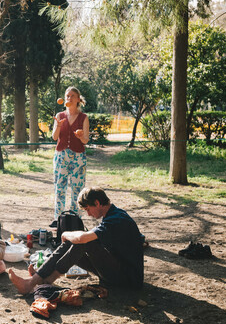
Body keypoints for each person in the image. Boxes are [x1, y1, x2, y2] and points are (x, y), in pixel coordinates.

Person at [9, 187, 144, 294]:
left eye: (88, 209)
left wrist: (67, 233)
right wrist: (70, 237)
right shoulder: (114, 214)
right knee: (76, 242)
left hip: (127, 280)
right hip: (115, 271)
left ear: (97, 203)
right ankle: (42, 278)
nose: (89, 214)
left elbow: (82, 238)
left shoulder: (116, 220)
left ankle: (35, 282)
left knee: (84, 241)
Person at [52, 86, 90, 219]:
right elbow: (54, 137)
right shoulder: (59, 116)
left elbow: (85, 140)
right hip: (61, 156)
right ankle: (58, 219)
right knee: (60, 187)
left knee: (77, 189)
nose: (69, 98)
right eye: (67, 95)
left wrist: (80, 137)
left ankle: (75, 218)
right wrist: (58, 126)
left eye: (72, 95)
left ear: (78, 99)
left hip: (78, 156)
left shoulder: (83, 117)